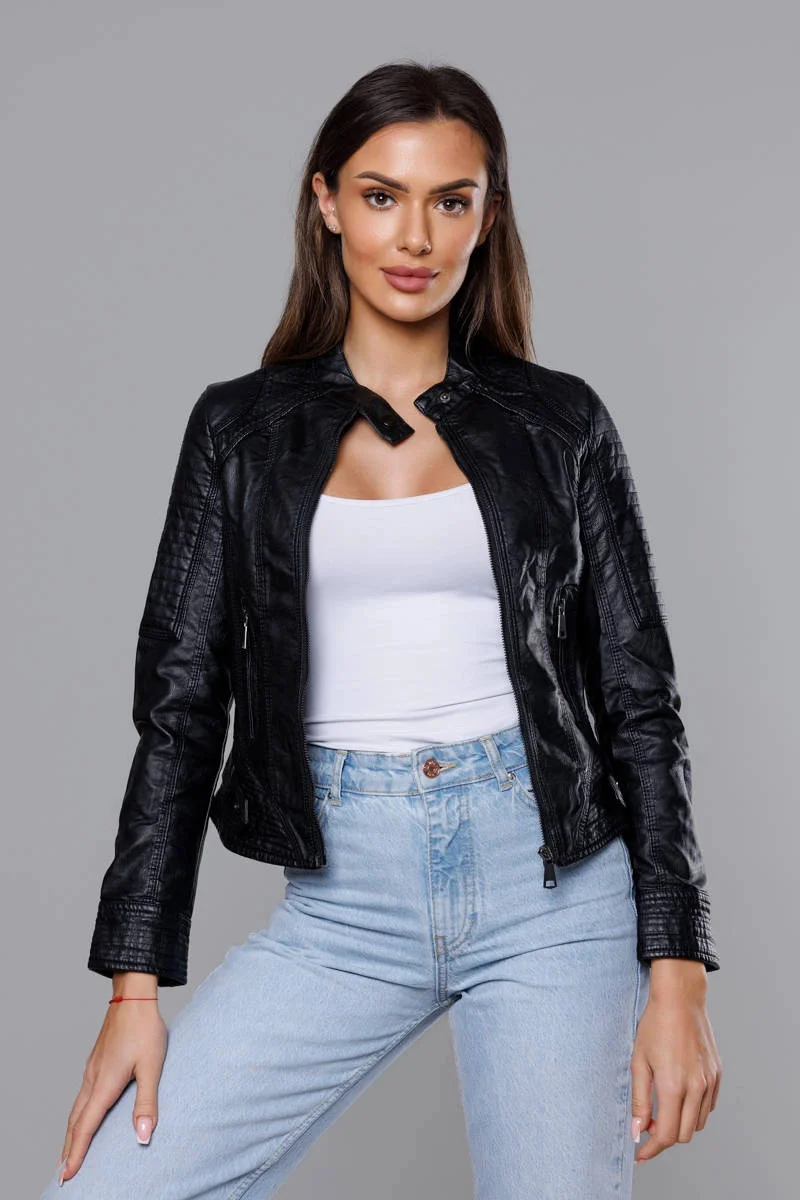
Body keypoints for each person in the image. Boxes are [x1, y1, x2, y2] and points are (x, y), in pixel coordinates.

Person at [41, 60, 722, 1199]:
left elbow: (639, 700)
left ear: (486, 217)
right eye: (379, 195)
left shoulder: (558, 423)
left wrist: (677, 969)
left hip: (553, 894)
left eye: (450, 200)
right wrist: (134, 984)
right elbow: (179, 709)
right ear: (325, 203)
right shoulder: (240, 430)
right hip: (345, 905)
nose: (414, 236)